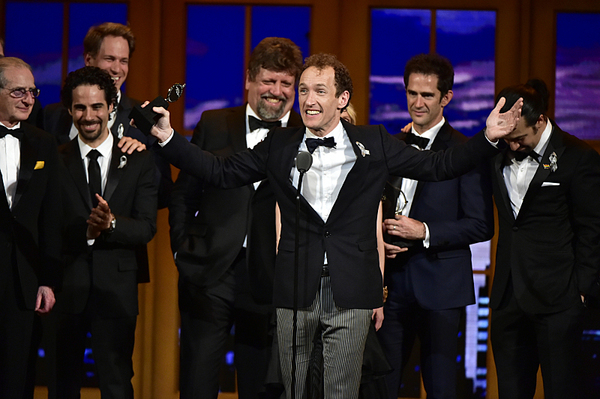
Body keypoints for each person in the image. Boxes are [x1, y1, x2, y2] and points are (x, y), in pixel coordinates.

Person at [141, 53, 522, 399]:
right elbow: (220, 171)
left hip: (351, 291)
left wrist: (488, 138)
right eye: (303, 89)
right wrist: (169, 138)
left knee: (340, 392)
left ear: (341, 99)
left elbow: (441, 166)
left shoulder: (374, 143)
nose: (308, 99)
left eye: (319, 91)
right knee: (295, 391)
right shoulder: (280, 144)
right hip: (293, 288)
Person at [168, 37, 303, 399]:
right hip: (210, 272)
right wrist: (181, 247)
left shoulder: (307, 136)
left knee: (262, 387)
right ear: (248, 79)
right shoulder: (213, 123)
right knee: (197, 383)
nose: (276, 92)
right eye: (268, 81)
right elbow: (185, 193)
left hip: (272, 280)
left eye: (285, 83)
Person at [377, 53, 494, 399]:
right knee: (382, 383)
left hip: (441, 288)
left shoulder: (465, 152)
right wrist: (380, 240)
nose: (417, 102)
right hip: (390, 286)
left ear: (446, 98)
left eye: (427, 95)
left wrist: (424, 231)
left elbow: (481, 225)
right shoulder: (389, 146)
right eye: (412, 93)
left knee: (442, 387)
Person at [488, 79, 600, 399]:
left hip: (558, 302)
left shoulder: (578, 157)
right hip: (508, 300)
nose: (512, 145)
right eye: (507, 137)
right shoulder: (495, 153)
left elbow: (593, 229)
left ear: (540, 121)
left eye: (519, 137)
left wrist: (580, 291)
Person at [51, 66, 157, 398]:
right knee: (62, 383)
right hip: (65, 289)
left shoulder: (139, 160)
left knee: (116, 383)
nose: (89, 116)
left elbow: (146, 227)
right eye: (80, 107)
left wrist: (110, 224)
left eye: (97, 107)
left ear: (112, 107)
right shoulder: (54, 160)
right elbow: (47, 225)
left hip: (116, 292)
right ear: (69, 110)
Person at [43, 22, 172, 209]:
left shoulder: (146, 117)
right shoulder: (52, 116)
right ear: (88, 60)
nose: (117, 69)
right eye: (110, 59)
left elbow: (164, 194)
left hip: (122, 232)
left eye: (123, 61)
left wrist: (142, 161)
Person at [0, 57, 61, 399]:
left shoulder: (43, 143)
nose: (27, 99)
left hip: (23, 282)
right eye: (18, 91)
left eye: (32, 92)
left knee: (16, 376)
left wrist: (48, 280)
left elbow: (50, 217)